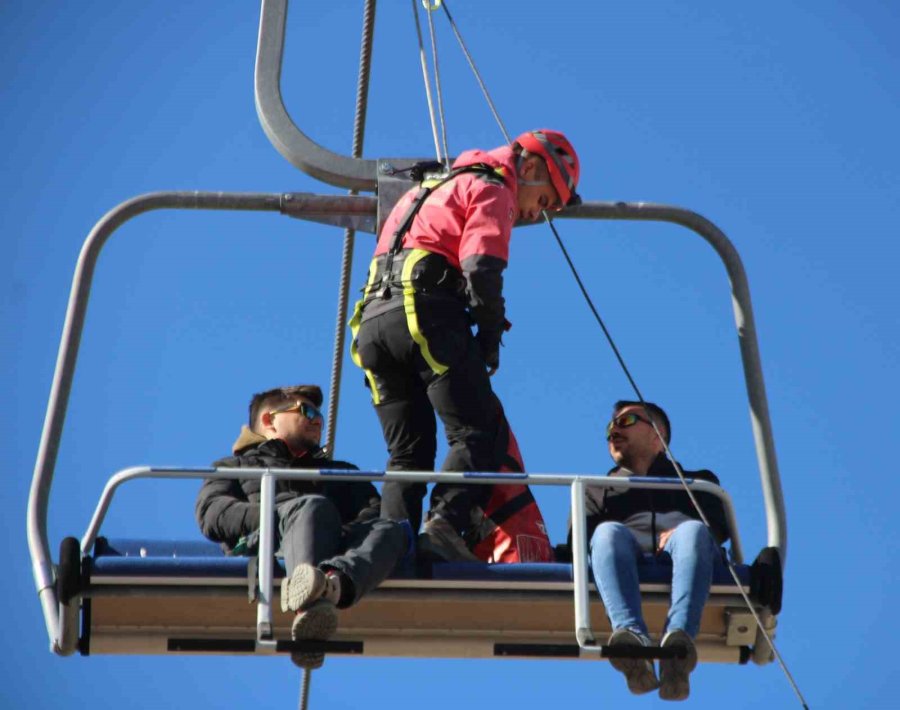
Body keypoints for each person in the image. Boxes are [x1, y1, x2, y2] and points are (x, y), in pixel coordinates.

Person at [350, 129, 580, 561]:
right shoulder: (493, 187)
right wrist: (490, 337)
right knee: (480, 428)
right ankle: (444, 529)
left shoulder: (428, 187)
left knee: (407, 454)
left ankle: (391, 549)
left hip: (372, 327)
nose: (536, 215)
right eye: (545, 201)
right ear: (528, 167)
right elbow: (481, 266)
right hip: (425, 313)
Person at [195, 384, 406, 669]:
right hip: (269, 545)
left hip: (336, 551)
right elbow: (212, 513)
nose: (318, 420)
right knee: (311, 507)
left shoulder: (338, 473)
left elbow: (370, 514)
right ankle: (308, 603)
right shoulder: (234, 467)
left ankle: (330, 586)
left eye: (320, 414)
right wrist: (280, 515)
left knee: (392, 530)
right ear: (270, 420)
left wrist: (330, 531)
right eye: (306, 411)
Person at [576, 400, 730, 701]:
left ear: (657, 435)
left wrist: (680, 528)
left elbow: (717, 527)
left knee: (693, 530)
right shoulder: (595, 488)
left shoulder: (697, 483)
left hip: (684, 546)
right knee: (607, 532)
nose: (613, 430)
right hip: (624, 549)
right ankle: (631, 639)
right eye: (610, 426)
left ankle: (678, 641)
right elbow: (577, 542)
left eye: (627, 421)